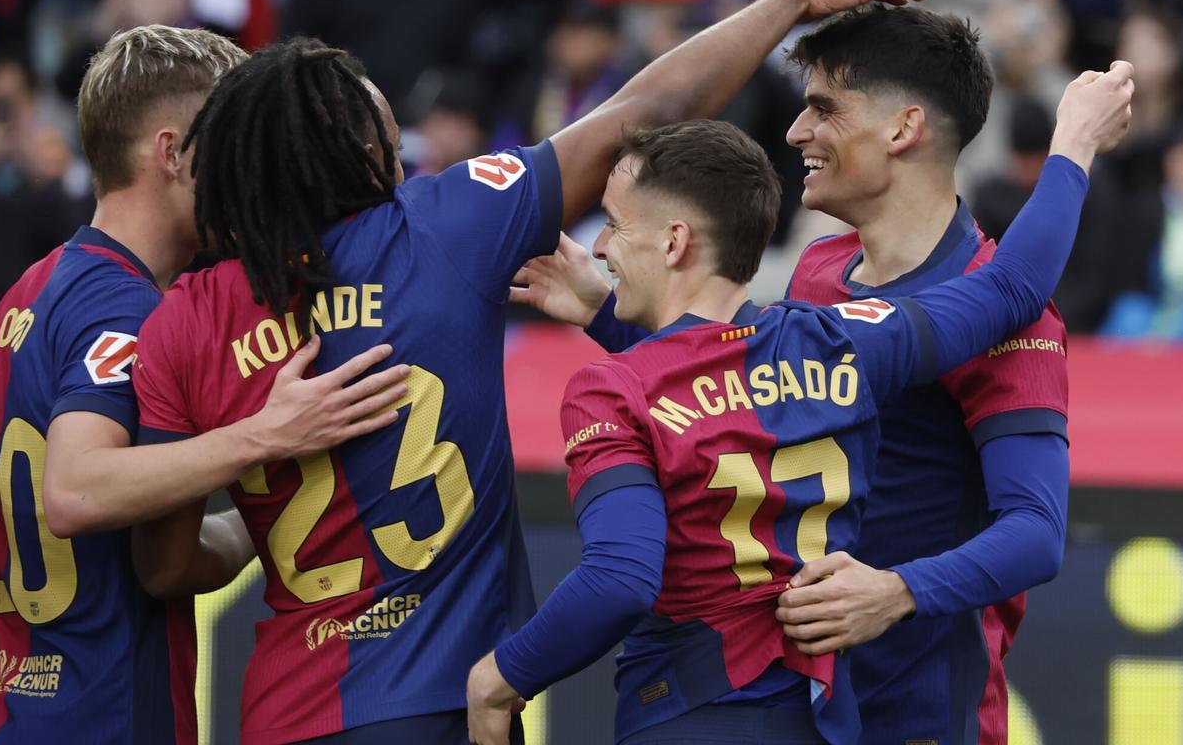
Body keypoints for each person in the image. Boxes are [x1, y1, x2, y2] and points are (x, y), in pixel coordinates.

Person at [129, 0, 936, 745]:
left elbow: (166, 569)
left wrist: (254, 521)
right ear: (362, 154)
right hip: (444, 699)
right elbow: (651, 107)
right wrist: (786, 3)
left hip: (285, 712)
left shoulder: (181, 322)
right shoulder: (448, 224)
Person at [473, 65, 1132, 745]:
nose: (602, 244)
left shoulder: (611, 388)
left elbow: (619, 575)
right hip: (818, 714)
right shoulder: (831, 339)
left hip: (698, 704)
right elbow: (1014, 287)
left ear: (675, 241)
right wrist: (1074, 145)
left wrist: (498, 679)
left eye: (611, 224)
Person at [0, 25, 407, 744]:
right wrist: (267, 436)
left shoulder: (26, 297)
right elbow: (76, 490)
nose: (253, 164)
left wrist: (267, 517)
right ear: (172, 152)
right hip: (110, 713)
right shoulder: (124, 309)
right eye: (234, 139)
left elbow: (159, 554)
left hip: (20, 707)